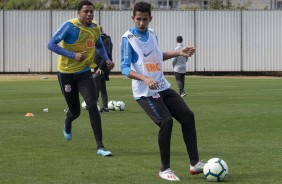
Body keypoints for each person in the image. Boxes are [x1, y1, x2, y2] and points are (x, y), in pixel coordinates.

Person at [120, 2, 205, 181]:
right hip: (145, 92)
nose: (141, 23)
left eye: (144, 19)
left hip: (162, 87)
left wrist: (179, 53)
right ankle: (164, 169)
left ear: (150, 18)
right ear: (132, 18)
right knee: (166, 121)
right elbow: (124, 69)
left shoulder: (151, 34)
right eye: (138, 19)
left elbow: (158, 56)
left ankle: (195, 164)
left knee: (188, 116)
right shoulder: (128, 38)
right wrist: (145, 78)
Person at [47, 0, 114, 157]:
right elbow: (51, 44)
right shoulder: (70, 26)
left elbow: (99, 45)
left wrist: (107, 58)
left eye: (91, 11)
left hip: (84, 73)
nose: (89, 14)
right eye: (86, 11)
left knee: (92, 105)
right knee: (75, 112)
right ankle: (68, 122)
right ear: (78, 13)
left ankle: (100, 146)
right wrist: (73, 55)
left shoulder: (95, 28)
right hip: (66, 74)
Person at [93, 27, 113, 112]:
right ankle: (105, 107)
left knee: (96, 82)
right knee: (101, 86)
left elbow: (107, 54)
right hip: (96, 66)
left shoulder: (106, 40)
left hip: (103, 66)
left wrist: (100, 67)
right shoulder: (95, 40)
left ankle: (94, 104)